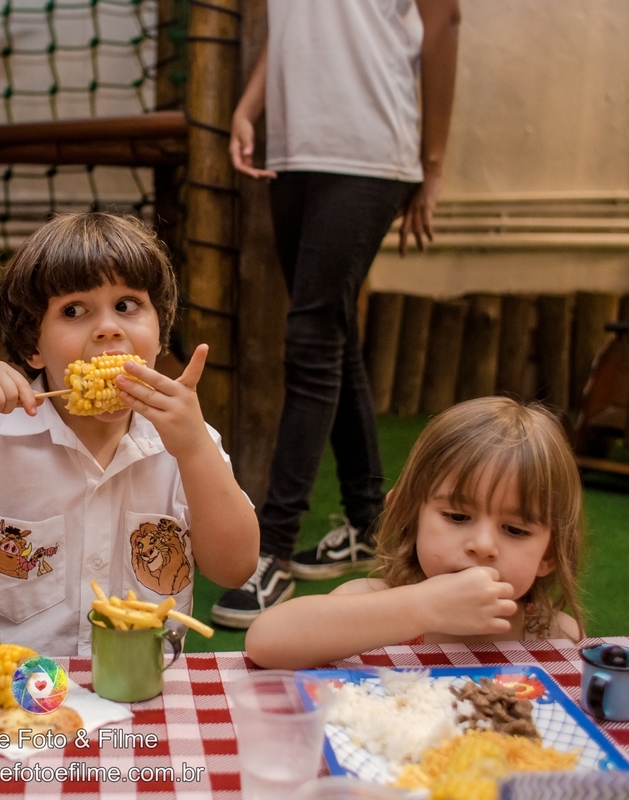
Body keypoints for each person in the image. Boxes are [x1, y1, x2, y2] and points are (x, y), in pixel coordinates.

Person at [0, 213, 259, 656]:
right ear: (33, 346)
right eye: (74, 311)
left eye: (127, 305)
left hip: (143, 681)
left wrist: (195, 450)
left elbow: (234, 568)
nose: (108, 328)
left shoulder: (188, 444)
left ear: (160, 334)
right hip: (25, 685)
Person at [212, 0, 462, 628]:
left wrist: (432, 165)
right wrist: (248, 106)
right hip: (294, 150)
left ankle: (270, 549)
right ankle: (367, 522)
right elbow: (293, 23)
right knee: (331, 334)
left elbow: (444, 22)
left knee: (311, 340)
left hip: (369, 149)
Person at [245, 397, 584, 670]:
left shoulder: (552, 634)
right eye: (456, 516)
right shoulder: (367, 602)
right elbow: (265, 642)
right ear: (408, 516)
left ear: (550, 553)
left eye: (515, 529)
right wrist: (423, 607)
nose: (482, 545)